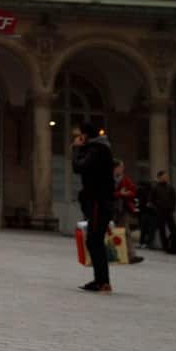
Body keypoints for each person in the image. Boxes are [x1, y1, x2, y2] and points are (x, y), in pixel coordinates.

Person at [72, 122, 115, 292]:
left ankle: (102, 281)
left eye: (81, 135)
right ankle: (101, 280)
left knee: (94, 241)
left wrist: (76, 148)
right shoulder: (98, 148)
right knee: (94, 240)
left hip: (99, 201)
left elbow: (79, 167)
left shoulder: (98, 150)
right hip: (100, 200)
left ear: (86, 136)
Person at [113, 160, 143, 264]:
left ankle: (131, 255)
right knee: (108, 231)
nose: (123, 169)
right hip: (109, 209)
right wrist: (119, 193)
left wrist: (125, 194)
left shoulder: (125, 180)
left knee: (126, 232)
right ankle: (109, 254)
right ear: (115, 168)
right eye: (121, 167)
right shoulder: (106, 178)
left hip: (122, 209)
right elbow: (105, 193)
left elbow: (133, 191)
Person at [152, 170, 176, 253]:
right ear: (159, 177)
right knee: (162, 230)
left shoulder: (170, 187)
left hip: (169, 212)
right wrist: (156, 209)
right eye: (164, 176)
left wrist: (172, 208)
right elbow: (152, 200)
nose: (166, 178)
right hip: (160, 212)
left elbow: (174, 199)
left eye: (166, 176)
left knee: (173, 229)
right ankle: (165, 246)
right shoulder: (155, 188)